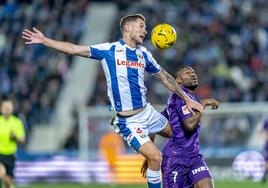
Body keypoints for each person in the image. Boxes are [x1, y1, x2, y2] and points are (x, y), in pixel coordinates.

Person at [22, 14, 203, 188]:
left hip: (147, 112)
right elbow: (73, 49)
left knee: (180, 135)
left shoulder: (144, 54)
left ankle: (190, 175)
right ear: (127, 28)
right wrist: (45, 40)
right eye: (141, 26)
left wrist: (187, 99)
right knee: (155, 158)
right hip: (129, 121)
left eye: (145, 28)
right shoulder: (109, 50)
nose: (145, 31)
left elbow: (165, 77)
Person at [141, 65, 219, 188]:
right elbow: (190, 125)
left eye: (193, 72)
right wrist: (202, 104)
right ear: (178, 81)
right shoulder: (180, 98)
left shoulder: (183, 100)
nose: (192, 74)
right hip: (175, 160)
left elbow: (154, 123)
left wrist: (149, 154)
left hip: (194, 157)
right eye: (187, 73)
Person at [0, 98, 26, 188]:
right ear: (1, 108)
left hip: (10, 155)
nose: (7, 109)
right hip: (0, 153)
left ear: (12, 108)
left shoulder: (17, 122)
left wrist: (15, 137)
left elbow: (22, 139)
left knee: (8, 182)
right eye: (5, 107)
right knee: (1, 172)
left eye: (9, 107)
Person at [262, 118, 268, 183]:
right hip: (267, 144)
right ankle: (265, 174)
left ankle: (265, 174)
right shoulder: (266, 120)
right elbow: (264, 132)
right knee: (266, 161)